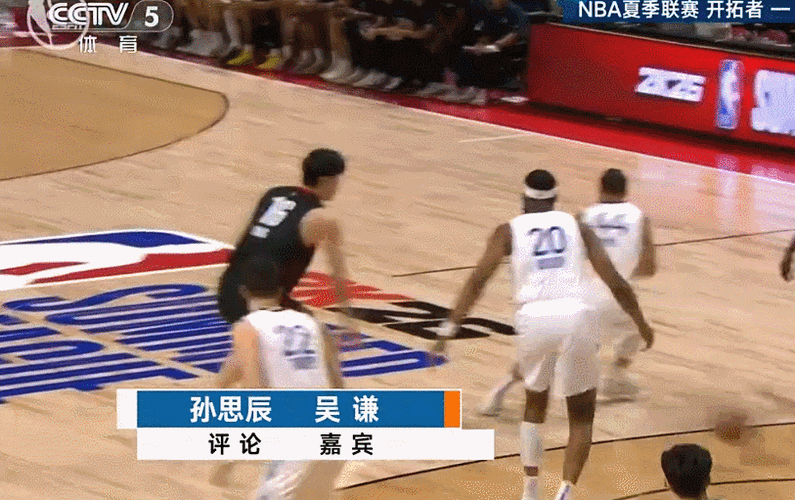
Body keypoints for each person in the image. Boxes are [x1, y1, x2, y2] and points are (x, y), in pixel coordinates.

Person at [431, 169, 653, 500]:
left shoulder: (507, 230)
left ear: (523, 200)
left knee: (534, 408)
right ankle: (565, 492)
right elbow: (615, 282)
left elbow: (477, 281)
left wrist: (448, 329)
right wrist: (641, 323)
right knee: (581, 418)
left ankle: (530, 490)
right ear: (555, 199)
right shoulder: (577, 226)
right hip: (576, 317)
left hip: (532, 319)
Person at [477, 168, 655, 414]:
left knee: (546, 349)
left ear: (600, 188)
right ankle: (617, 374)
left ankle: (500, 391)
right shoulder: (639, 217)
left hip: (580, 295)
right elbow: (649, 268)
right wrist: (628, 269)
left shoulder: (581, 218)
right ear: (625, 190)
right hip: (615, 295)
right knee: (635, 330)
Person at [211, 255, 345, 499]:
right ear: (281, 290)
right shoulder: (313, 324)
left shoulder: (248, 328)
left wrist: (229, 456)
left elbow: (252, 393)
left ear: (243, 291)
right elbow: (338, 386)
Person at [217, 148, 356, 336]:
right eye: (337, 179)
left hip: (227, 290)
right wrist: (348, 318)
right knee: (315, 336)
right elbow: (337, 272)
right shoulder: (322, 219)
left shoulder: (273, 194)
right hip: (258, 304)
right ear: (327, 180)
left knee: (305, 319)